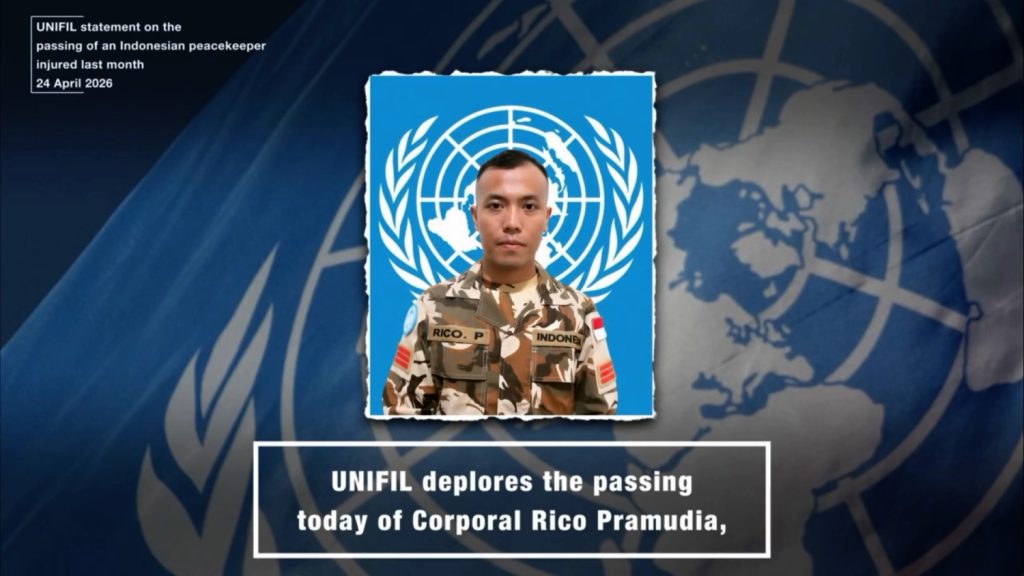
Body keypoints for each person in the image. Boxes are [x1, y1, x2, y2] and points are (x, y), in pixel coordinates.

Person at [382, 149, 617, 416]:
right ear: (475, 216)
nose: (512, 223)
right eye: (495, 206)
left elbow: (599, 420)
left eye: (529, 207)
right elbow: (402, 415)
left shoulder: (577, 312)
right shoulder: (434, 307)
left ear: (546, 218)